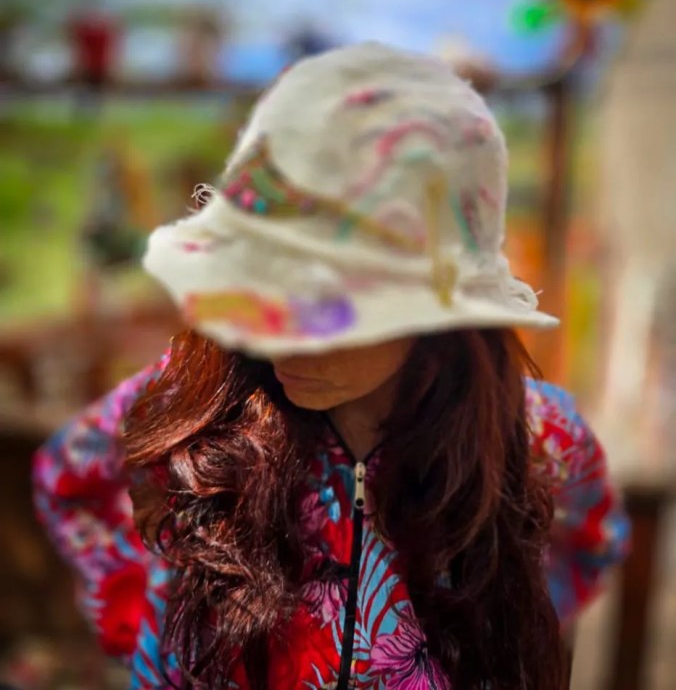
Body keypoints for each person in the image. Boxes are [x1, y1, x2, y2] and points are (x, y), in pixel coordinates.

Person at [34, 43, 630, 690]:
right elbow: (68, 474)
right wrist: (137, 617)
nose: (284, 341)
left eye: (330, 308)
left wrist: (510, 622)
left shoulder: (537, 433)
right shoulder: (200, 391)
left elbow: (593, 540)